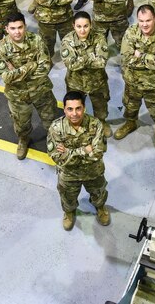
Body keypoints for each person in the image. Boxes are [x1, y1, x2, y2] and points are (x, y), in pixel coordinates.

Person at [0, 12, 59, 160]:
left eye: (20, 27)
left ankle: (55, 139)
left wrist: (18, 72)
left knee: (51, 118)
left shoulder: (36, 40)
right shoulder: (0, 48)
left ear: (25, 26)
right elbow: (6, 77)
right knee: (21, 124)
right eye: (13, 28)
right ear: (6, 29)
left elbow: (45, 67)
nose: (17, 32)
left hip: (41, 90)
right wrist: (32, 65)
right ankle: (23, 140)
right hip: (18, 96)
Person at [47, 90, 109, 231]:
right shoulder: (56, 128)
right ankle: (69, 212)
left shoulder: (95, 125)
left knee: (98, 192)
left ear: (84, 108)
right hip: (69, 175)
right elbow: (57, 158)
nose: (74, 114)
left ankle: (100, 207)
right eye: (70, 109)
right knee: (67, 196)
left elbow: (98, 153)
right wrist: (85, 150)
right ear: (64, 109)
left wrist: (69, 152)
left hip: (93, 172)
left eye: (78, 108)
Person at [115, 5, 155, 151]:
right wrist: (153, 57)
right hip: (132, 82)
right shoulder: (131, 32)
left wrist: (139, 55)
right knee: (130, 106)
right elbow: (126, 58)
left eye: (148, 20)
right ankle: (131, 123)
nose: (144, 24)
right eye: (141, 21)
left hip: (154, 84)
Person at [61, 11, 111, 137]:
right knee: (75, 108)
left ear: (91, 25)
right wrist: (91, 57)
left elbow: (102, 62)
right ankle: (77, 124)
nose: (82, 30)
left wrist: (79, 58)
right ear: (73, 26)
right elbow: (71, 65)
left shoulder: (99, 38)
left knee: (100, 105)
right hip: (75, 83)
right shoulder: (67, 40)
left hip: (97, 81)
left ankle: (102, 122)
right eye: (79, 26)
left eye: (86, 26)